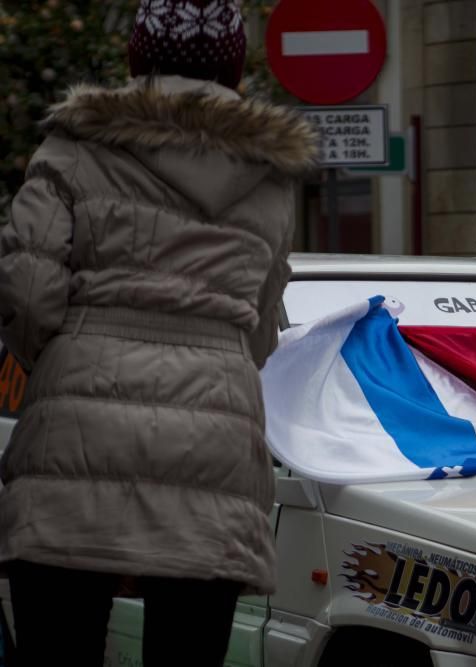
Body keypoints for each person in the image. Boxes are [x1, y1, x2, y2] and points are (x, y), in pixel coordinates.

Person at [0, 2, 317, 665]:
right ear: (234, 64)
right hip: (216, 439)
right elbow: (261, 325)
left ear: (136, 56)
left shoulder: (74, 147)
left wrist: (66, 359)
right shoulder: (272, 178)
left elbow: (25, 293)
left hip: (75, 441)